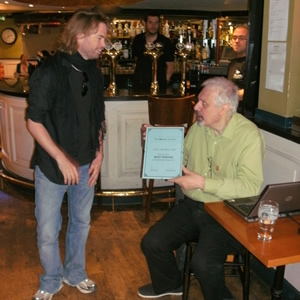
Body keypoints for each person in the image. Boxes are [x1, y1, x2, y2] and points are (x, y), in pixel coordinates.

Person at [138, 77, 265, 299]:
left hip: (228, 212)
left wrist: (204, 183)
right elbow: (181, 159)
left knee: (203, 263)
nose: (196, 106)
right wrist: (156, 142)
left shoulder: (248, 136)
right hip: (193, 205)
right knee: (152, 242)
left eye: (203, 103)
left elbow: (250, 186)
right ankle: (171, 284)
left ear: (224, 108)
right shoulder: (200, 127)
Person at [26, 6, 108, 300]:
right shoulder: (49, 72)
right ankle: (51, 280)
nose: (103, 44)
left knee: (81, 223)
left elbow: (99, 118)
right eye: (99, 38)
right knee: (48, 231)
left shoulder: (95, 74)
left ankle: (75, 273)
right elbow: (33, 121)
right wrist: (61, 158)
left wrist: (99, 154)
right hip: (52, 167)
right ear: (80, 35)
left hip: (87, 165)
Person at [132, 11, 175, 92]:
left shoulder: (165, 42)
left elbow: (171, 66)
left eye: (156, 23)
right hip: (139, 84)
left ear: (159, 24)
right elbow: (136, 59)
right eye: (150, 22)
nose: (153, 26)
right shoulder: (138, 39)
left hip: (159, 85)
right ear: (144, 23)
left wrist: (164, 82)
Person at [227, 26, 248, 102]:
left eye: (242, 38)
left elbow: (252, 92)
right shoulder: (233, 63)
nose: (237, 41)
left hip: (243, 112)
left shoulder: (250, 64)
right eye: (234, 38)